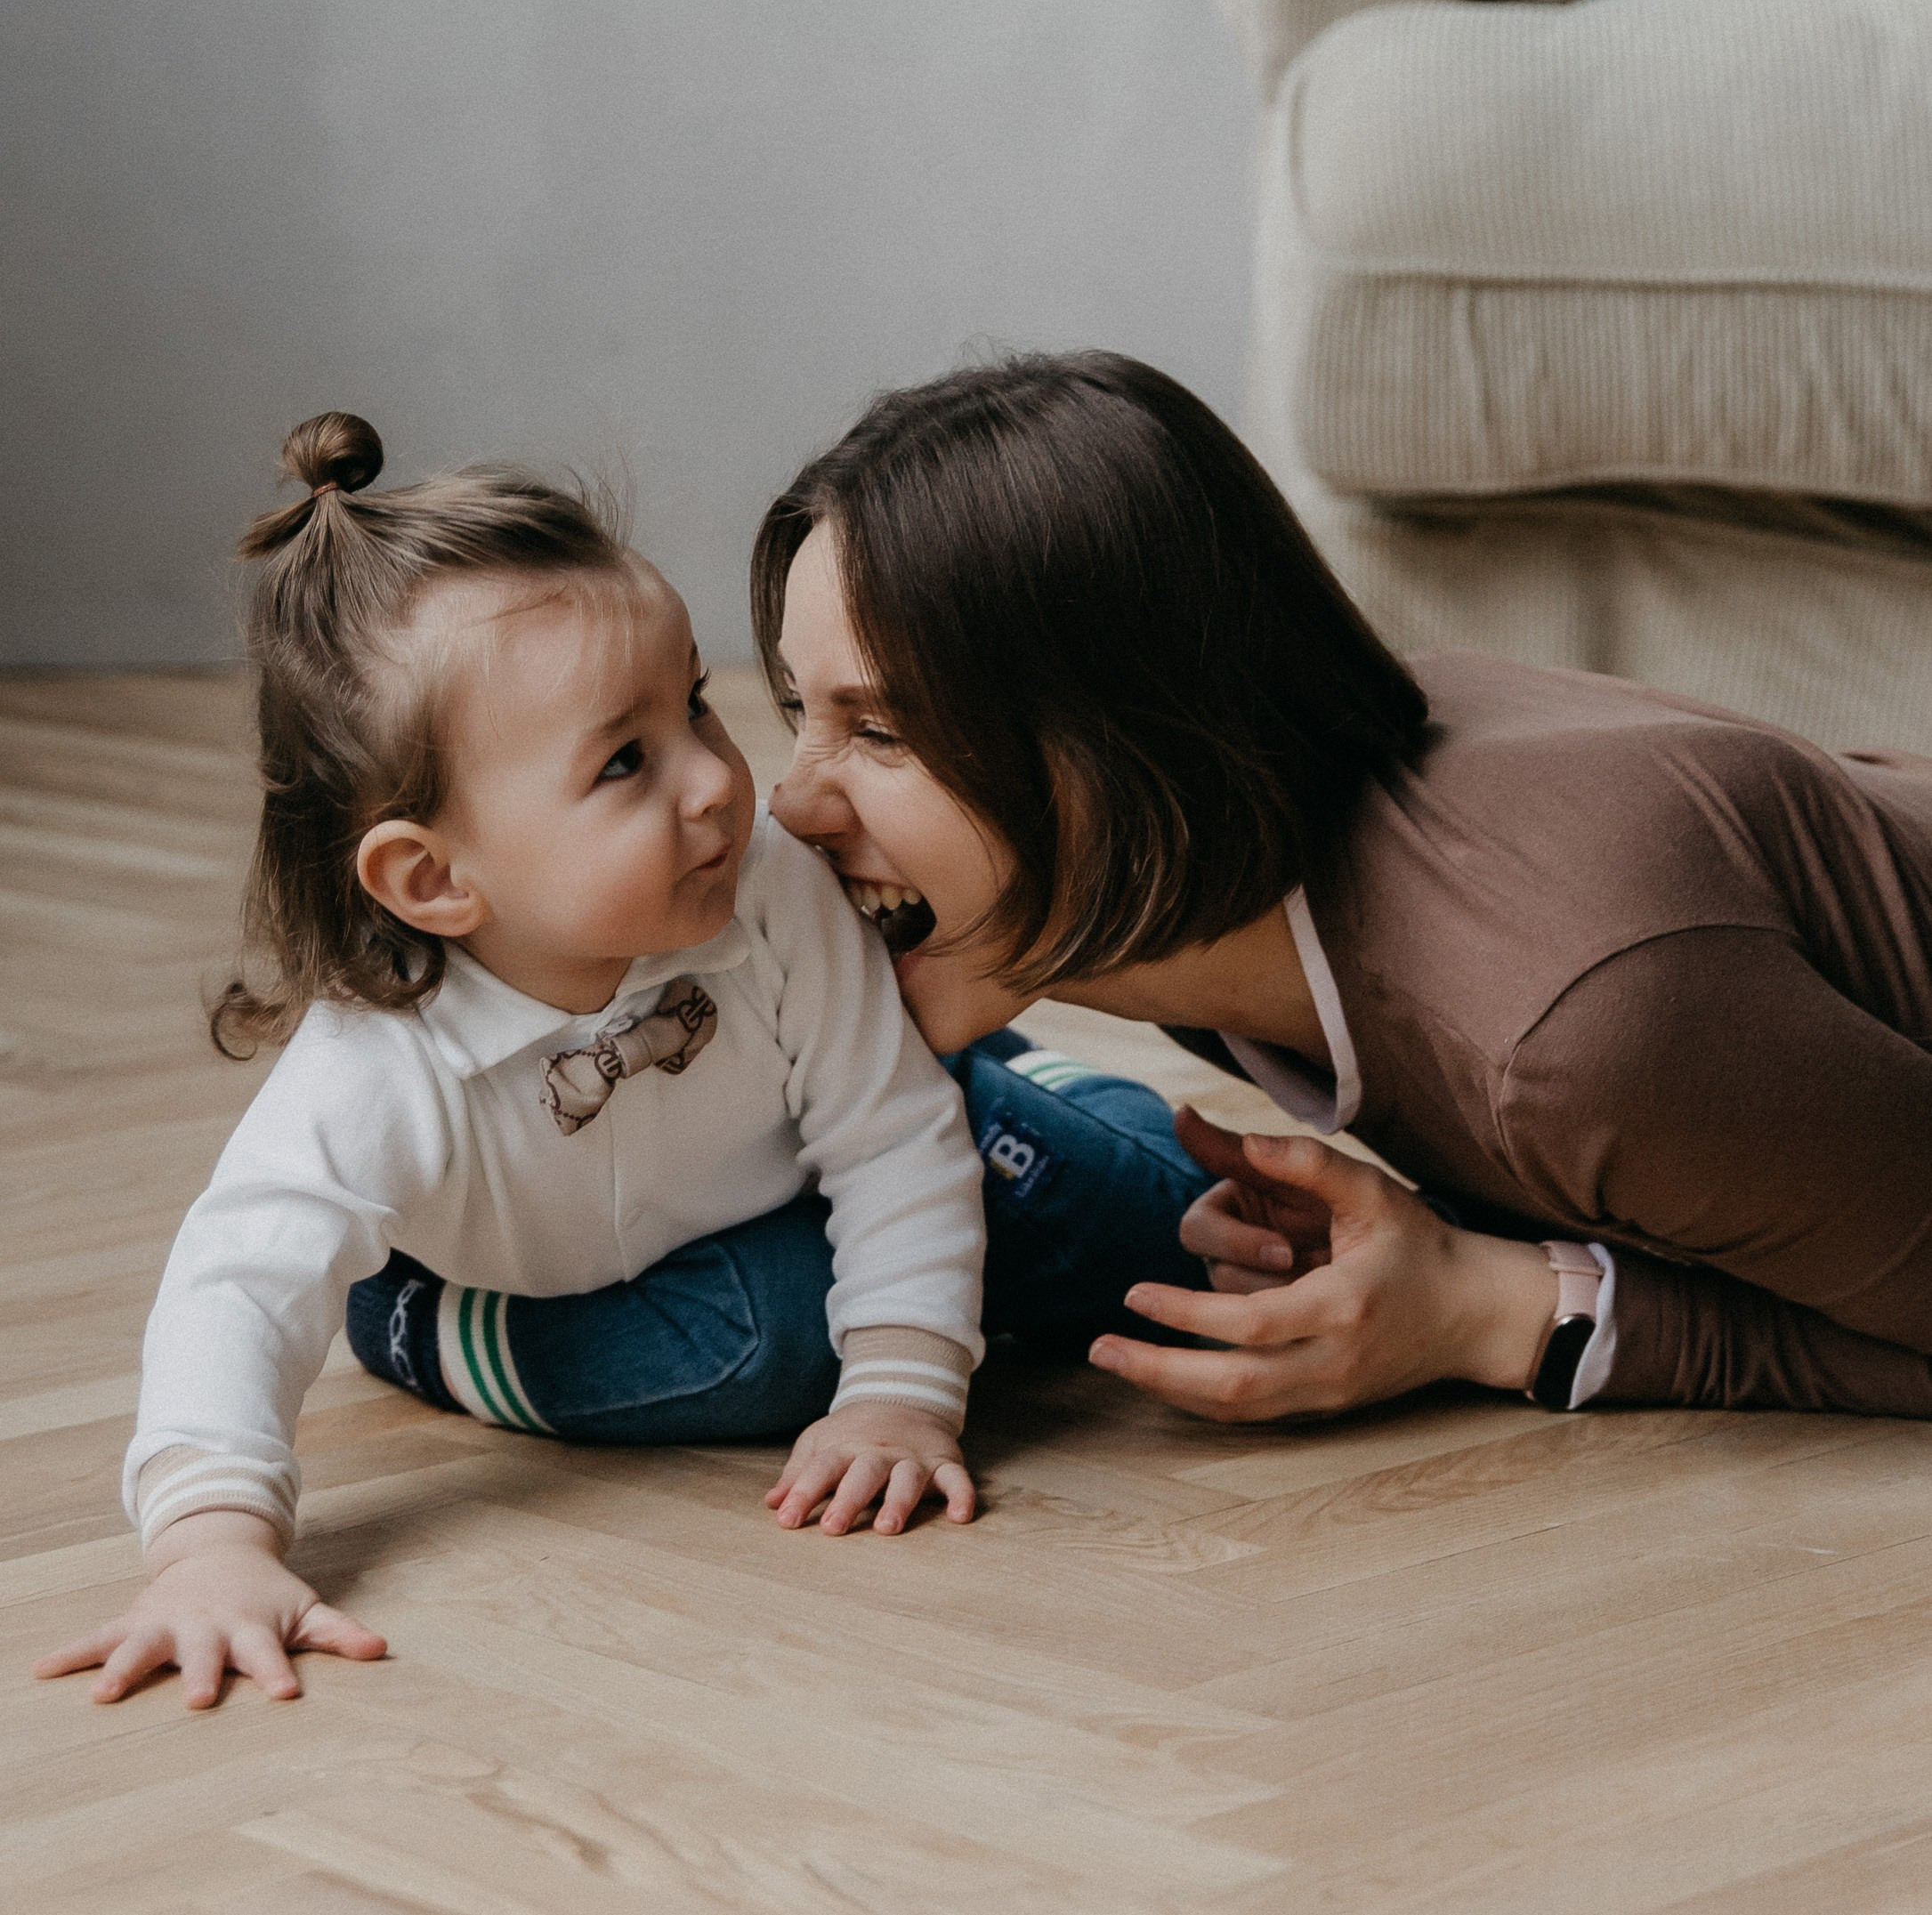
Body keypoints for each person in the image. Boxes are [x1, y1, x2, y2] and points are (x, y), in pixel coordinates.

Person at [36, 411, 1209, 1712]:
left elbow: (885, 1135)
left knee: (1159, 1224)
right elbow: (236, 1284)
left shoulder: (766, 893)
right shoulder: (378, 1064)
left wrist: (900, 1398)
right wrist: (212, 1546)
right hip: (575, 1282)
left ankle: (1031, 1102)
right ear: (434, 875)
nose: (716, 781)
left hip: (816, 1166)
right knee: (776, 1342)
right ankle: (446, 1331)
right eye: (625, 760)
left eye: (697, 704)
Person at [755, 349, 1932, 1430]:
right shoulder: (1197, 893)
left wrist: (1504, 1308)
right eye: (802, 712)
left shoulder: (1571, 1029)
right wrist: (1453, 1241)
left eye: (882, 728)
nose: (791, 806)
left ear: (1124, 753)